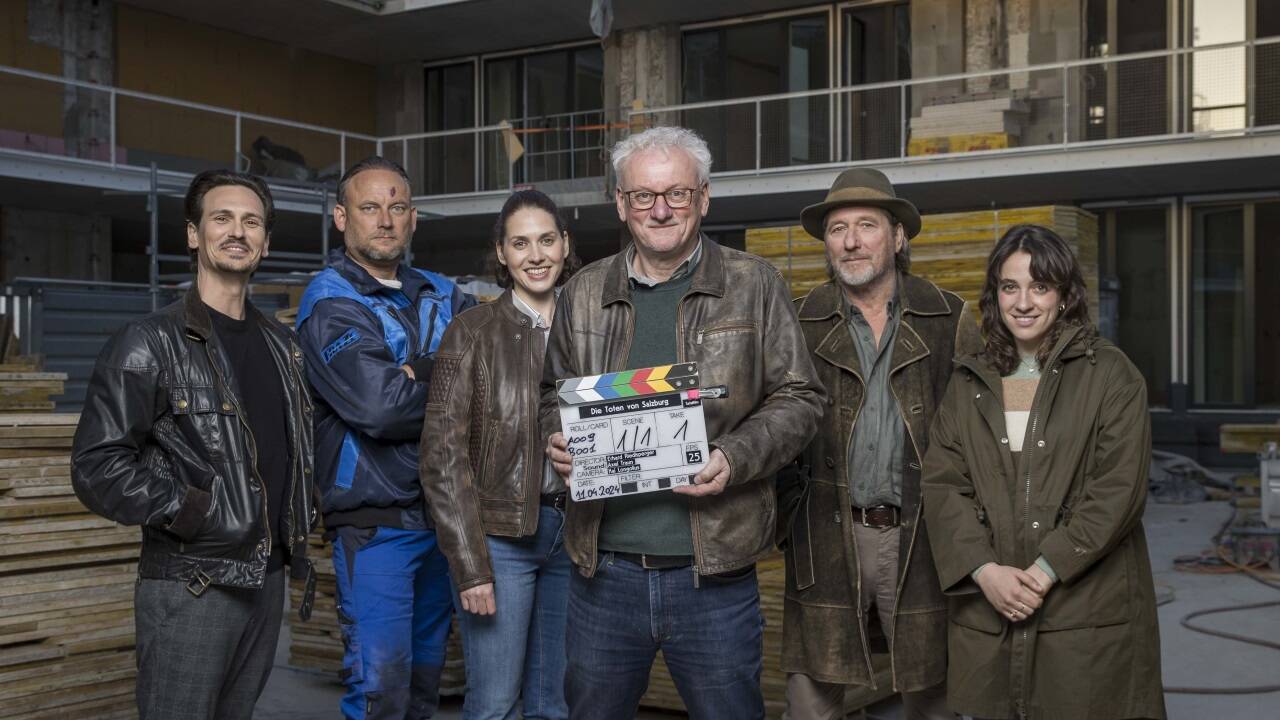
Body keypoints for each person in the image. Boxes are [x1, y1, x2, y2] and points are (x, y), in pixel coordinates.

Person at [540, 126, 825, 720]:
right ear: (620, 203)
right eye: (643, 195)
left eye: (677, 193)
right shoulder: (581, 292)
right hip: (604, 573)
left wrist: (734, 455)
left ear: (704, 197)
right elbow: (553, 393)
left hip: (714, 573)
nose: (661, 209)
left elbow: (800, 397)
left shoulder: (755, 284)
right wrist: (558, 439)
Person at [71, 170, 315, 720]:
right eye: (221, 218)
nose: (237, 231)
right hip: (193, 583)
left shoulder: (282, 345)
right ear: (193, 234)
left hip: (266, 575)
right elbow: (95, 465)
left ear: (266, 241)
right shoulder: (147, 342)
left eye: (251, 222)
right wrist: (191, 509)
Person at [921, 224, 1166, 719]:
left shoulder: (1112, 376)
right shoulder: (971, 379)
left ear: (1065, 293)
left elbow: (1116, 491)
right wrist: (985, 571)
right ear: (995, 296)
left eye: (1040, 286)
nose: (1024, 302)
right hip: (992, 598)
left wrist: (1043, 572)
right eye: (1010, 287)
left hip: (1083, 605)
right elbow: (944, 483)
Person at [777, 167, 981, 720]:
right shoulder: (798, 322)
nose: (850, 240)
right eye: (838, 227)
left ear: (897, 237)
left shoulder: (950, 318)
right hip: (824, 534)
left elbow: (980, 442)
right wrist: (785, 519)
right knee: (812, 701)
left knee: (935, 694)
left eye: (867, 225)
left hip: (924, 538)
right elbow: (770, 426)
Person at [296, 156, 476, 719]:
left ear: (414, 218)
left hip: (442, 516)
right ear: (341, 217)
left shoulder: (444, 294)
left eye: (396, 207)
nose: (384, 220)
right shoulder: (329, 302)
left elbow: (498, 377)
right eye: (369, 207)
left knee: (423, 686)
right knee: (381, 688)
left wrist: (414, 371)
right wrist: (441, 371)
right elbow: (380, 408)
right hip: (376, 527)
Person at [421, 189, 580, 720]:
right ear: (502, 254)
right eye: (520, 243)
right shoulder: (470, 332)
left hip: (574, 536)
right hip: (500, 543)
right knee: (493, 704)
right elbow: (442, 460)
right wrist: (470, 567)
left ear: (564, 245)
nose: (535, 255)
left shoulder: (595, 330)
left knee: (553, 705)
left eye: (546, 240)